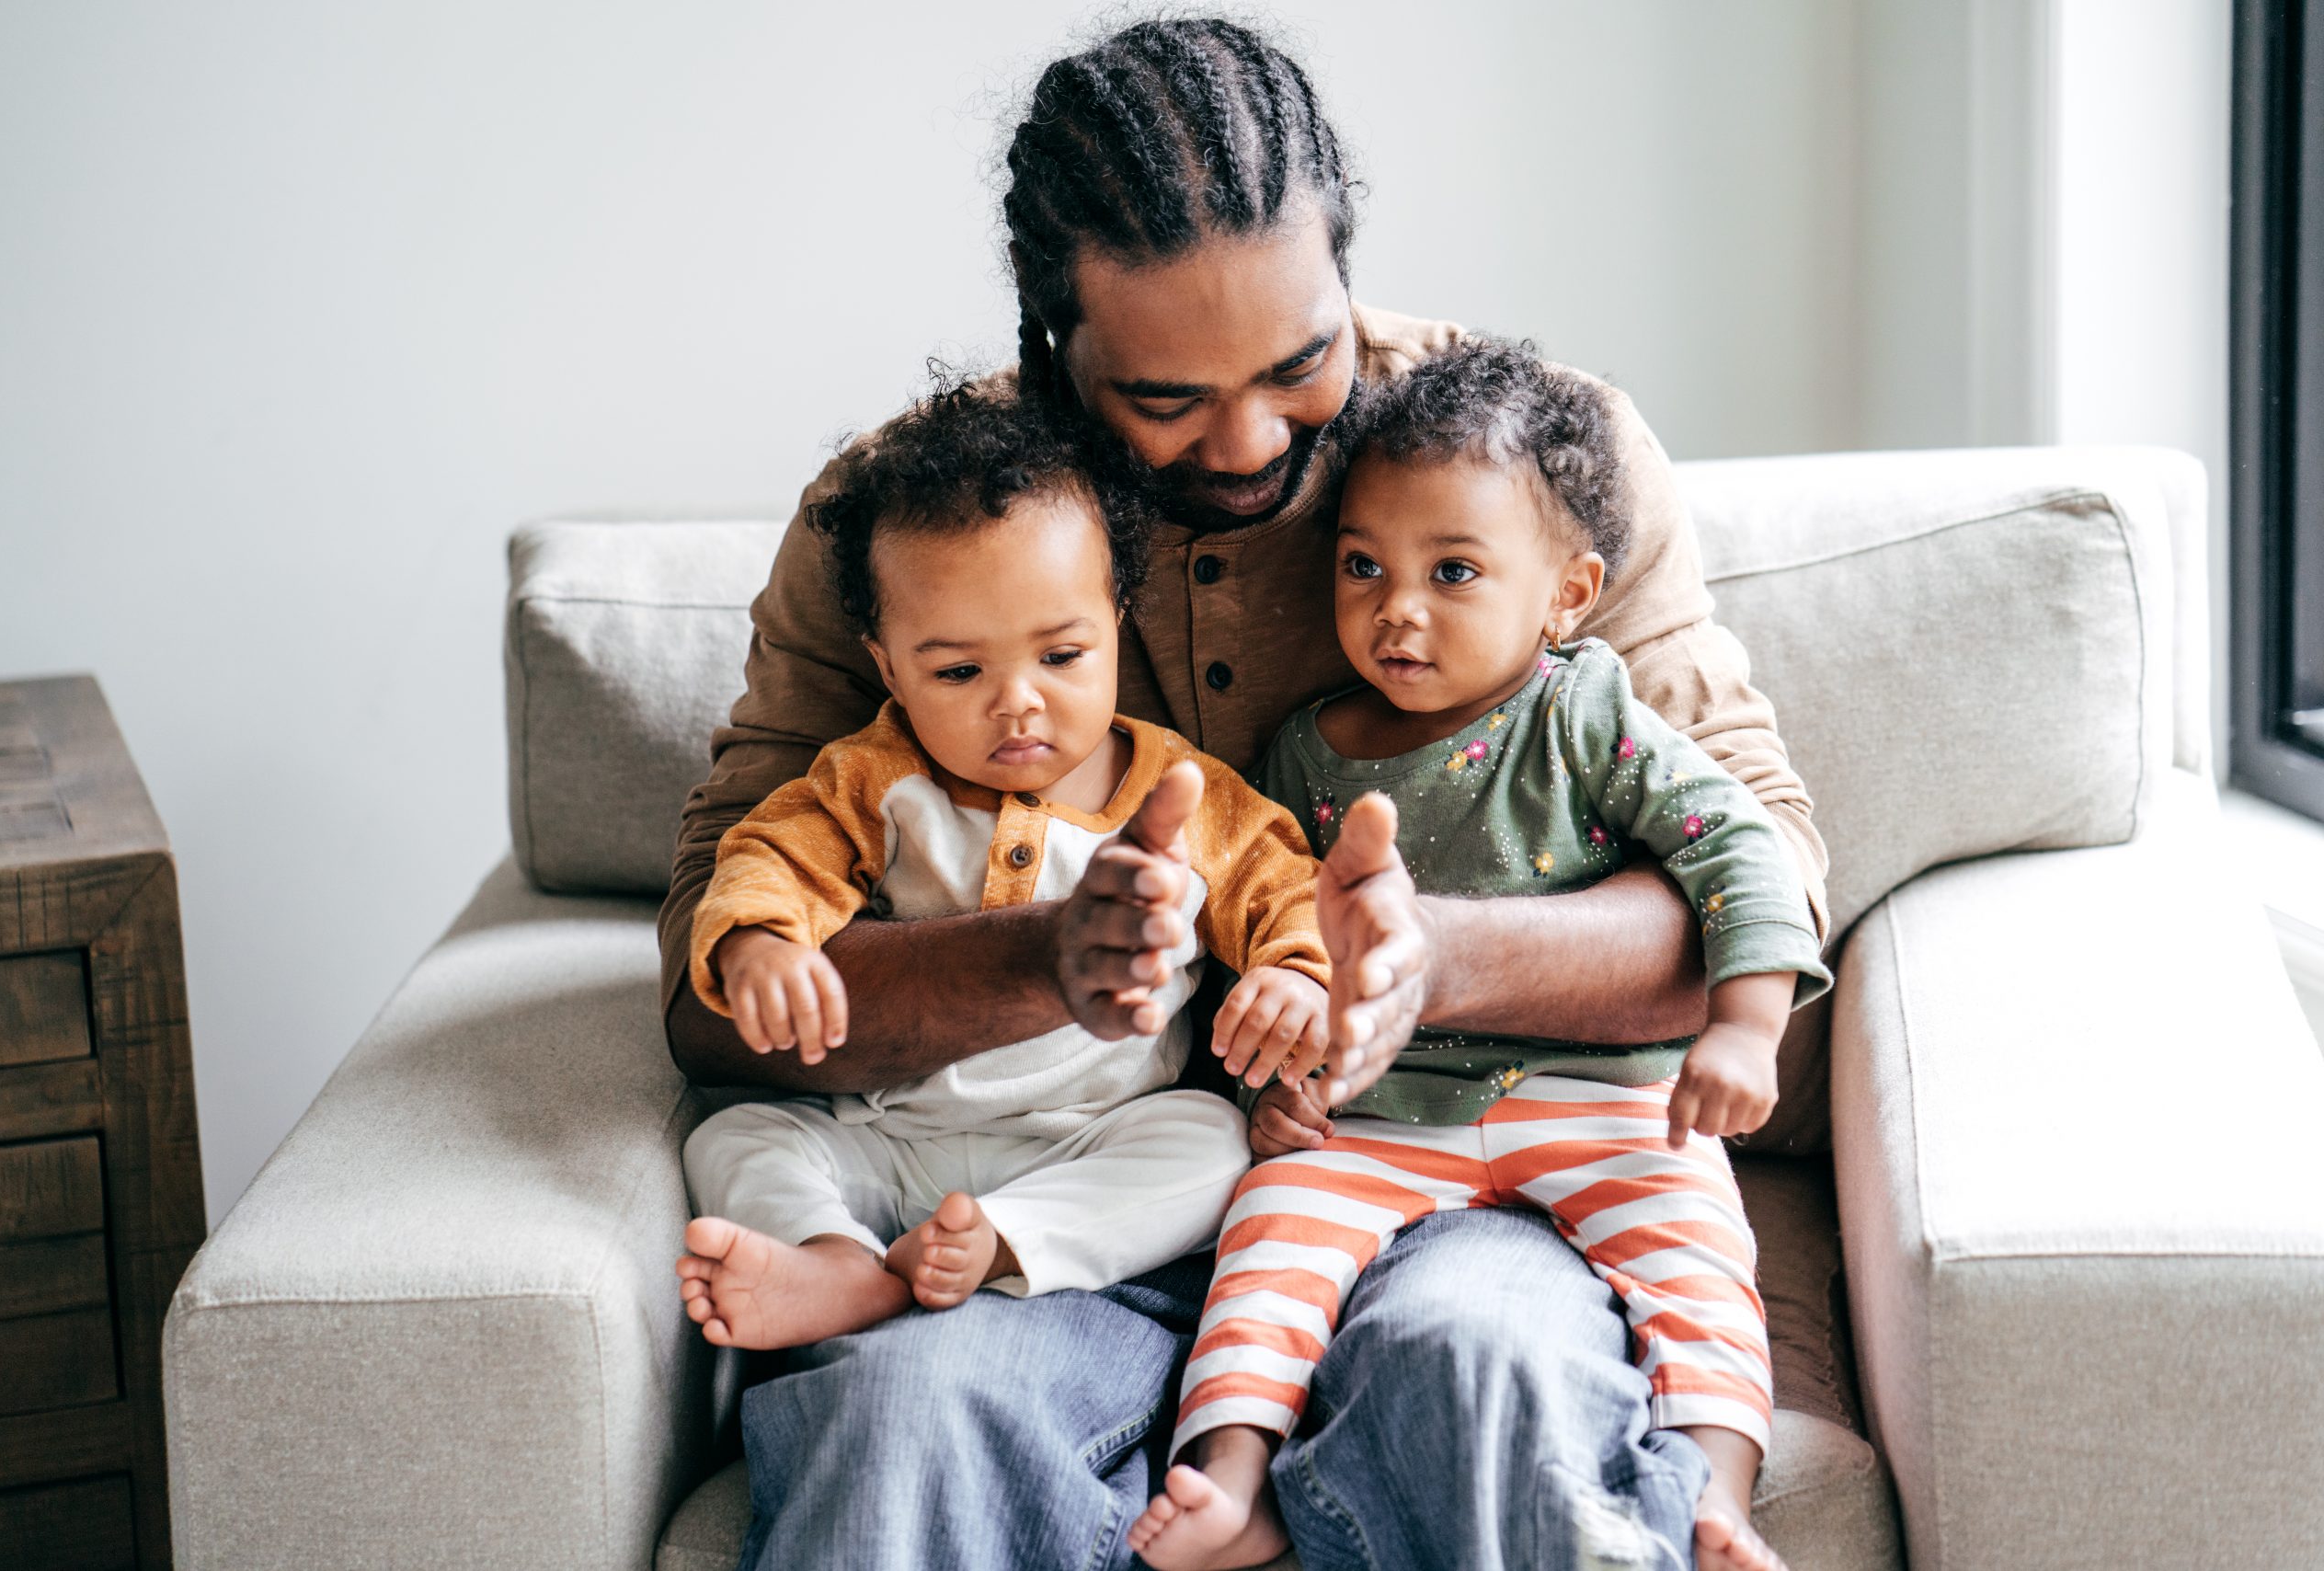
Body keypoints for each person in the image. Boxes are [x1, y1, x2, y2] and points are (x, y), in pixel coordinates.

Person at [660, 17, 1830, 1571]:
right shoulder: (912, 527)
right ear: (1051, 346)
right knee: (904, 1420)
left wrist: (1419, 957)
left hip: (1436, 1169)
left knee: (1485, 1372)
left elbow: (1766, 870)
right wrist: (1037, 958)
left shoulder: (1526, 469)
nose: (1254, 437)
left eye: (1303, 364)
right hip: (1032, 1199)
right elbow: (704, 989)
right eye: (1165, 400)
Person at [1128, 340, 1830, 1571]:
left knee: (1695, 1257)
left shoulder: (1586, 711)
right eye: (1363, 566)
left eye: (1454, 573)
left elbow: (1741, 849)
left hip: (1597, 1097)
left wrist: (1744, 1025)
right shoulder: (1306, 752)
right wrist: (1274, 1077)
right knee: (1271, 1238)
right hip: (1385, 1113)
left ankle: (1711, 1501)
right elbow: (1274, 932)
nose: (1396, 611)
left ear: (1565, 593)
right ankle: (1232, 1481)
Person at [672, 377, 1338, 1347]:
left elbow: (1286, 886)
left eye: (1062, 656)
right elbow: (770, 854)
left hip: (1096, 1136)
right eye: (957, 671)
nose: (1016, 702)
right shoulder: (870, 779)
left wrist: (1293, 974)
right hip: (892, 1136)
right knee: (733, 1136)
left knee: (1209, 1140)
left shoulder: (1181, 790)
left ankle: (1008, 1243)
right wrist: (762, 940)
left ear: (1117, 619)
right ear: (888, 664)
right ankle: (837, 1263)